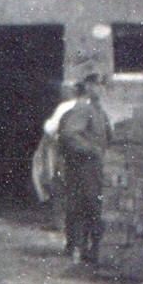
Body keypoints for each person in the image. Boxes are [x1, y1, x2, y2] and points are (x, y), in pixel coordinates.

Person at [59, 72, 112, 265]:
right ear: (88, 87)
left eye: (103, 85)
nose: (101, 89)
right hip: (83, 166)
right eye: (97, 85)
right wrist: (92, 150)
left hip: (93, 166)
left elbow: (107, 136)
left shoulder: (99, 110)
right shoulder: (83, 108)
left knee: (92, 205)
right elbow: (70, 134)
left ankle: (87, 249)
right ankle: (78, 248)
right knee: (84, 205)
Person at [31, 82, 79, 232]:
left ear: (70, 91)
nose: (62, 93)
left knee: (56, 183)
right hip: (76, 152)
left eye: (64, 90)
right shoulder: (82, 106)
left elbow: (51, 128)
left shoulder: (64, 107)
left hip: (60, 150)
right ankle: (69, 222)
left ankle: (59, 221)